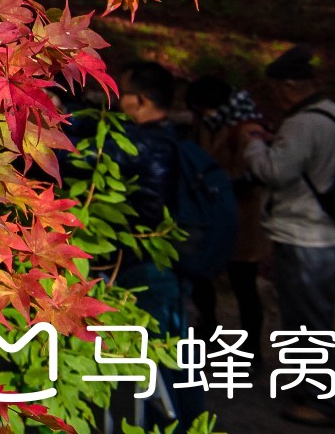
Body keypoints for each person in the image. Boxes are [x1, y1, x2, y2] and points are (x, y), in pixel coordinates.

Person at [244, 45, 335, 428]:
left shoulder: (304, 123)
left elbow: (275, 171)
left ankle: (329, 403)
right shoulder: (331, 113)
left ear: (289, 87)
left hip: (305, 235)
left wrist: (254, 141)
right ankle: (317, 391)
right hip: (325, 231)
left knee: (307, 322)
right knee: (315, 318)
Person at [116, 61, 208, 428]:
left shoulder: (143, 144)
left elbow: (148, 211)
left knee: (154, 353)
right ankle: (189, 421)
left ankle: (171, 423)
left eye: (123, 93)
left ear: (139, 99)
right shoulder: (177, 140)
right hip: (171, 261)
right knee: (175, 349)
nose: (117, 100)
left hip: (145, 263)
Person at [189, 73, 269, 353]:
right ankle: (208, 328)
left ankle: (252, 349)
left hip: (241, 220)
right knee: (202, 277)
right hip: (211, 217)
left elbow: (257, 176)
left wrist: (218, 185)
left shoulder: (246, 131)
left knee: (244, 285)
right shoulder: (206, 124)